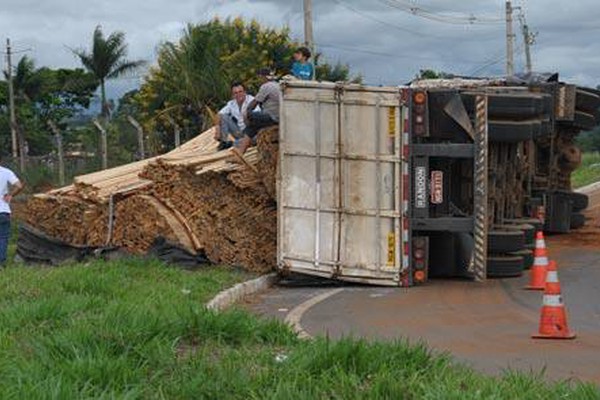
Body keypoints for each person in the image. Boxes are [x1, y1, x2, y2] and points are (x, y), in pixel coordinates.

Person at [236, 69, 281, 154]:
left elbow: (253, 104)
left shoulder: (266, 86)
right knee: (253, 126)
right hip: (277, 117)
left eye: (259, 77)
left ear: (262, 77)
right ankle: (241, 152)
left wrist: (247, 116)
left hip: (273, 117)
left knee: (250, 114)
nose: (259, 80)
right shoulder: (277, 85)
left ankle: (242, 147)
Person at [214, 82, 258, 150]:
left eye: (240, 92)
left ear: (245, 92)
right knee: (223, 116)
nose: (238, 94)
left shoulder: (252, 101)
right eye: (235, 93)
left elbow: (257, 119)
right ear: (233, 95)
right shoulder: (232, 103)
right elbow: (219, 114)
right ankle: (224, 141)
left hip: (251, 132)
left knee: (254, 139)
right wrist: (217, 129)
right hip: (239, 132)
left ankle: (234, 144)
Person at [0, 155, 24, 267]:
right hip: (3, 210)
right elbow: (19, 185)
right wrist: (10, 195)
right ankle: (1, 262)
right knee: (3, 237)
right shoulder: (6, 172)